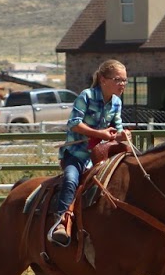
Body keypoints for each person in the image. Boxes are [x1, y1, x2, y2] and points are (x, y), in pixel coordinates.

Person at [48, 59, 131, 246]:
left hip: (101, 156)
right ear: (103, 79)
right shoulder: (86, 96)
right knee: (70, 180)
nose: (122, 84)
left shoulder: (116, 102)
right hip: (77, 154)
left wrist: (122, 135)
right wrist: (98, 133)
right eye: (118, 79)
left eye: (125, 80)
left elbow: (117, 128)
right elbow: (74, 123)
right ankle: (61, 223)